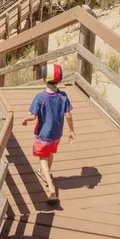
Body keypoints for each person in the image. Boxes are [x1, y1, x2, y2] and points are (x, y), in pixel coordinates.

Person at [21, 62, 75, 204]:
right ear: (60, 80)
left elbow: (33, 116)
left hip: (44, 134)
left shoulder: (40, 98)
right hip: (57, 134)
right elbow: (68, 115)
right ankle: (46, 175)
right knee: (49, 153)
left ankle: (51, 187)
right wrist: (71, 131)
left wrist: (26, 119)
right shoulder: (63, 96)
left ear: (43, 79)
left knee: (42, 158)